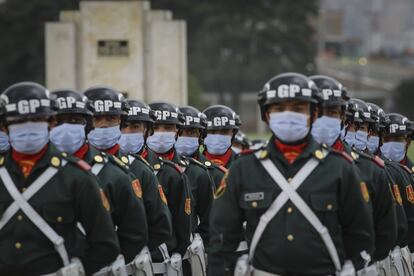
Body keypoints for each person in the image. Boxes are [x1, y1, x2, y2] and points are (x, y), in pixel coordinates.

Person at [208, 73, 375, 275]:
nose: (288, 115)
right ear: (266, 115)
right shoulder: (244, 168)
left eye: (298, 108)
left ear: (313, 114)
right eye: (279, 108)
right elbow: (221, 239)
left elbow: (360, 235)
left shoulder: (340, 168)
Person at [0, 82, 119, 275]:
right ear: (4, 127)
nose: (28, 127)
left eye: (37, 119)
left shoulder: (76, 177)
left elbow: (105, 245)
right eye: (18, 121)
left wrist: (75, 271)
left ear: (50, 122)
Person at [50, 88, 149, 264]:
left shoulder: (121, 173)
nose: (103, 125)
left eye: (111, 118)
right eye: (97, 118)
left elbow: (137, 233)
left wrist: (109, 264)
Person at [310, 75, 397, 262]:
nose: (324, 120)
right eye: (317, 111)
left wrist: (359, 263)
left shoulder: (369, 169)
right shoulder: (275, 165)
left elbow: (387, 231)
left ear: (343, 118)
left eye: (332, 113)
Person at [119, 99, 173, 261]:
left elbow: (163, 227)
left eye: (135, 127)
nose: (128, 133)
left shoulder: (164, 172)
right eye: (124, 126)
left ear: (147, 131)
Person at [145, 101, 192, 259]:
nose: (161, 133)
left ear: (177, 131)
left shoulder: (178, 173)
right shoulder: (133, 168)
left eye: (168, 128)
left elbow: (184, 224)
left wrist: (178, 252)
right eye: (156, 127)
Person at [175, 105, 215, 245]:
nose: (185, 137)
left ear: (201, 136)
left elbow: (209, 222)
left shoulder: (206, 172)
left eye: (191, 132)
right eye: (181, 132)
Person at [202, 105, 240, 188]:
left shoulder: (243, 165)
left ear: (233, 133)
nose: (218, 137)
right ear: (202, 133)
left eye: (224, 131)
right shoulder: (193, 165)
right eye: (212, 131)